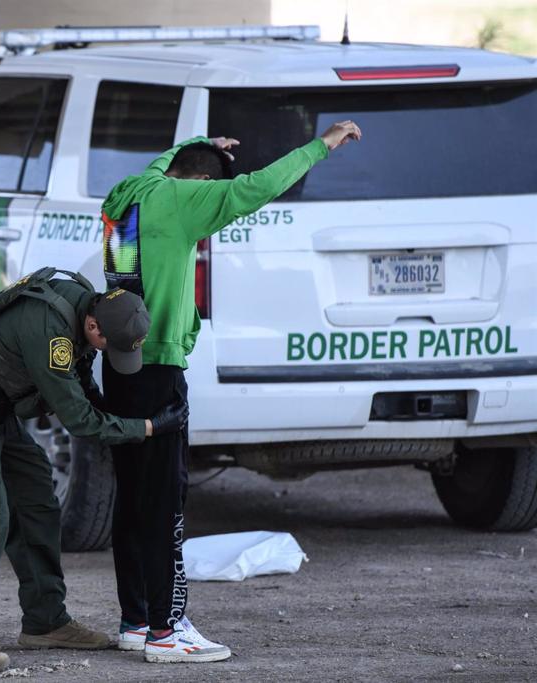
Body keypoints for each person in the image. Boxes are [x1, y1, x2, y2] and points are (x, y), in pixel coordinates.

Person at [100, 121, 363, 663]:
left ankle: (137, 618)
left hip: (119, 367)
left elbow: (166, 163)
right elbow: (259, 186)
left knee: (131, 498)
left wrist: (200, 148)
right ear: (198, 183)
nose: (206, 233)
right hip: (157, 371)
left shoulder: (131, 192)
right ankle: (168, 631)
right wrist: (324, 144)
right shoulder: (183, 198)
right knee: (165, 500)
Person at [0, 268, 189, 675]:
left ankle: (45, 619)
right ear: (93, 324)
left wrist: (111, 409)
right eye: (106, 344)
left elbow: (81, 380)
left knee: (37, 501)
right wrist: (148, 428)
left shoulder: (84, 301)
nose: (107, 353)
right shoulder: (52, 334)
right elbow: (79, 420)